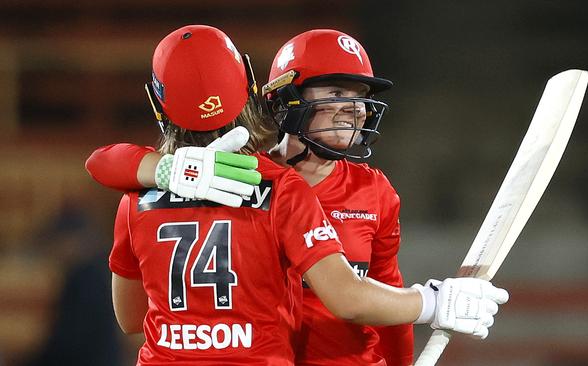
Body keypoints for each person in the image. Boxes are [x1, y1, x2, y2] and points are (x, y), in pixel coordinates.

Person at [87, 25, 509, 365]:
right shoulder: (278, 186)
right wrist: (433, 302)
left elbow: (131, 316)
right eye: (336, 93)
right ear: (272, 96)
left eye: (359, 97)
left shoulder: (137, 194)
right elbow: (349, 296)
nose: (354, 109)